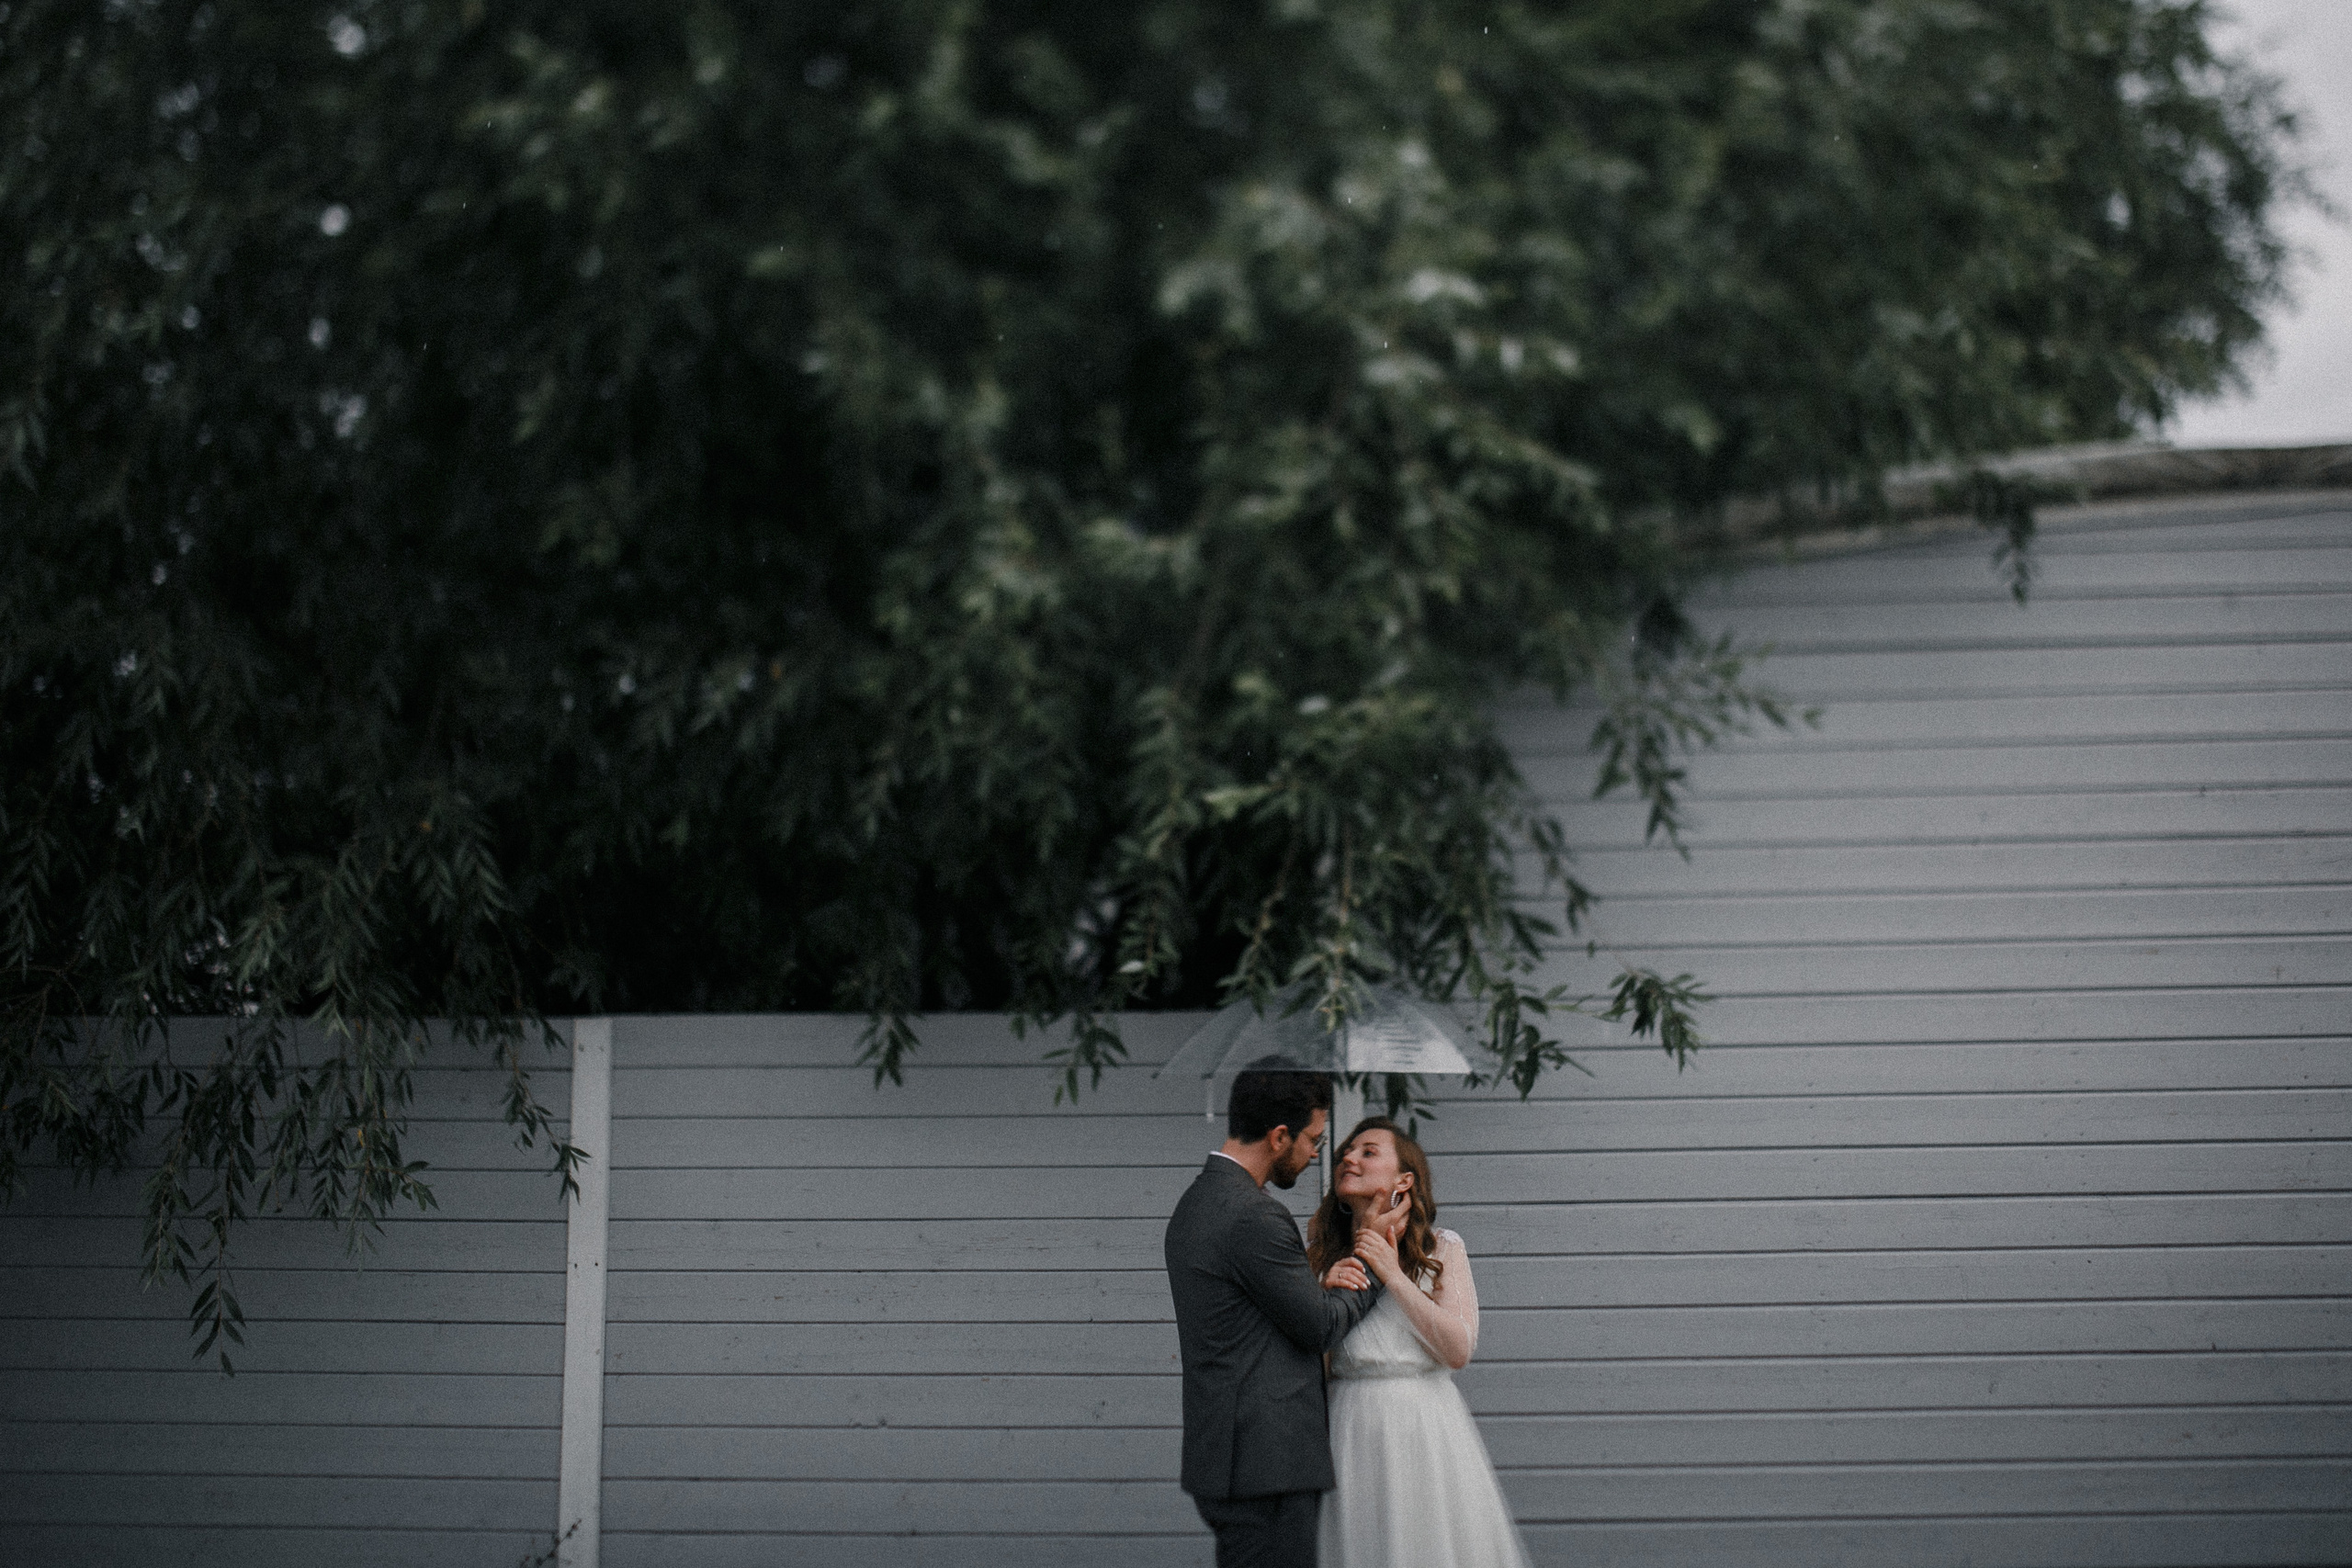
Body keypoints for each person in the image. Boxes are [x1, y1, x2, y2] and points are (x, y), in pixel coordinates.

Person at [1165, 1061, 1386, 1566]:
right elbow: (1320, 1327)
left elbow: (1247, 1313)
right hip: (1267, 1465)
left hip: (1229, 1458)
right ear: (1280, 1136)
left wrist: (1316, 1289)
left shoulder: (1196, 1203)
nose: (1317, 1154)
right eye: (1313, 1140)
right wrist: (1375, 1260)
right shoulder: (1254, 1215)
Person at [1308, 1116, 1533, 1568]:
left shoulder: (1441, 1247)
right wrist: (1324, 1295)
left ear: (1404, 1180)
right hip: (1349, 1425)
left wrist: (1392, 1274)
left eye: (1368, 1152)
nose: (1349, 1158)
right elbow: (1314, 1366)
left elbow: (1458, 1349)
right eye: (1345, 1153)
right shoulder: (1320, 1252)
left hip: (1422, 1427)